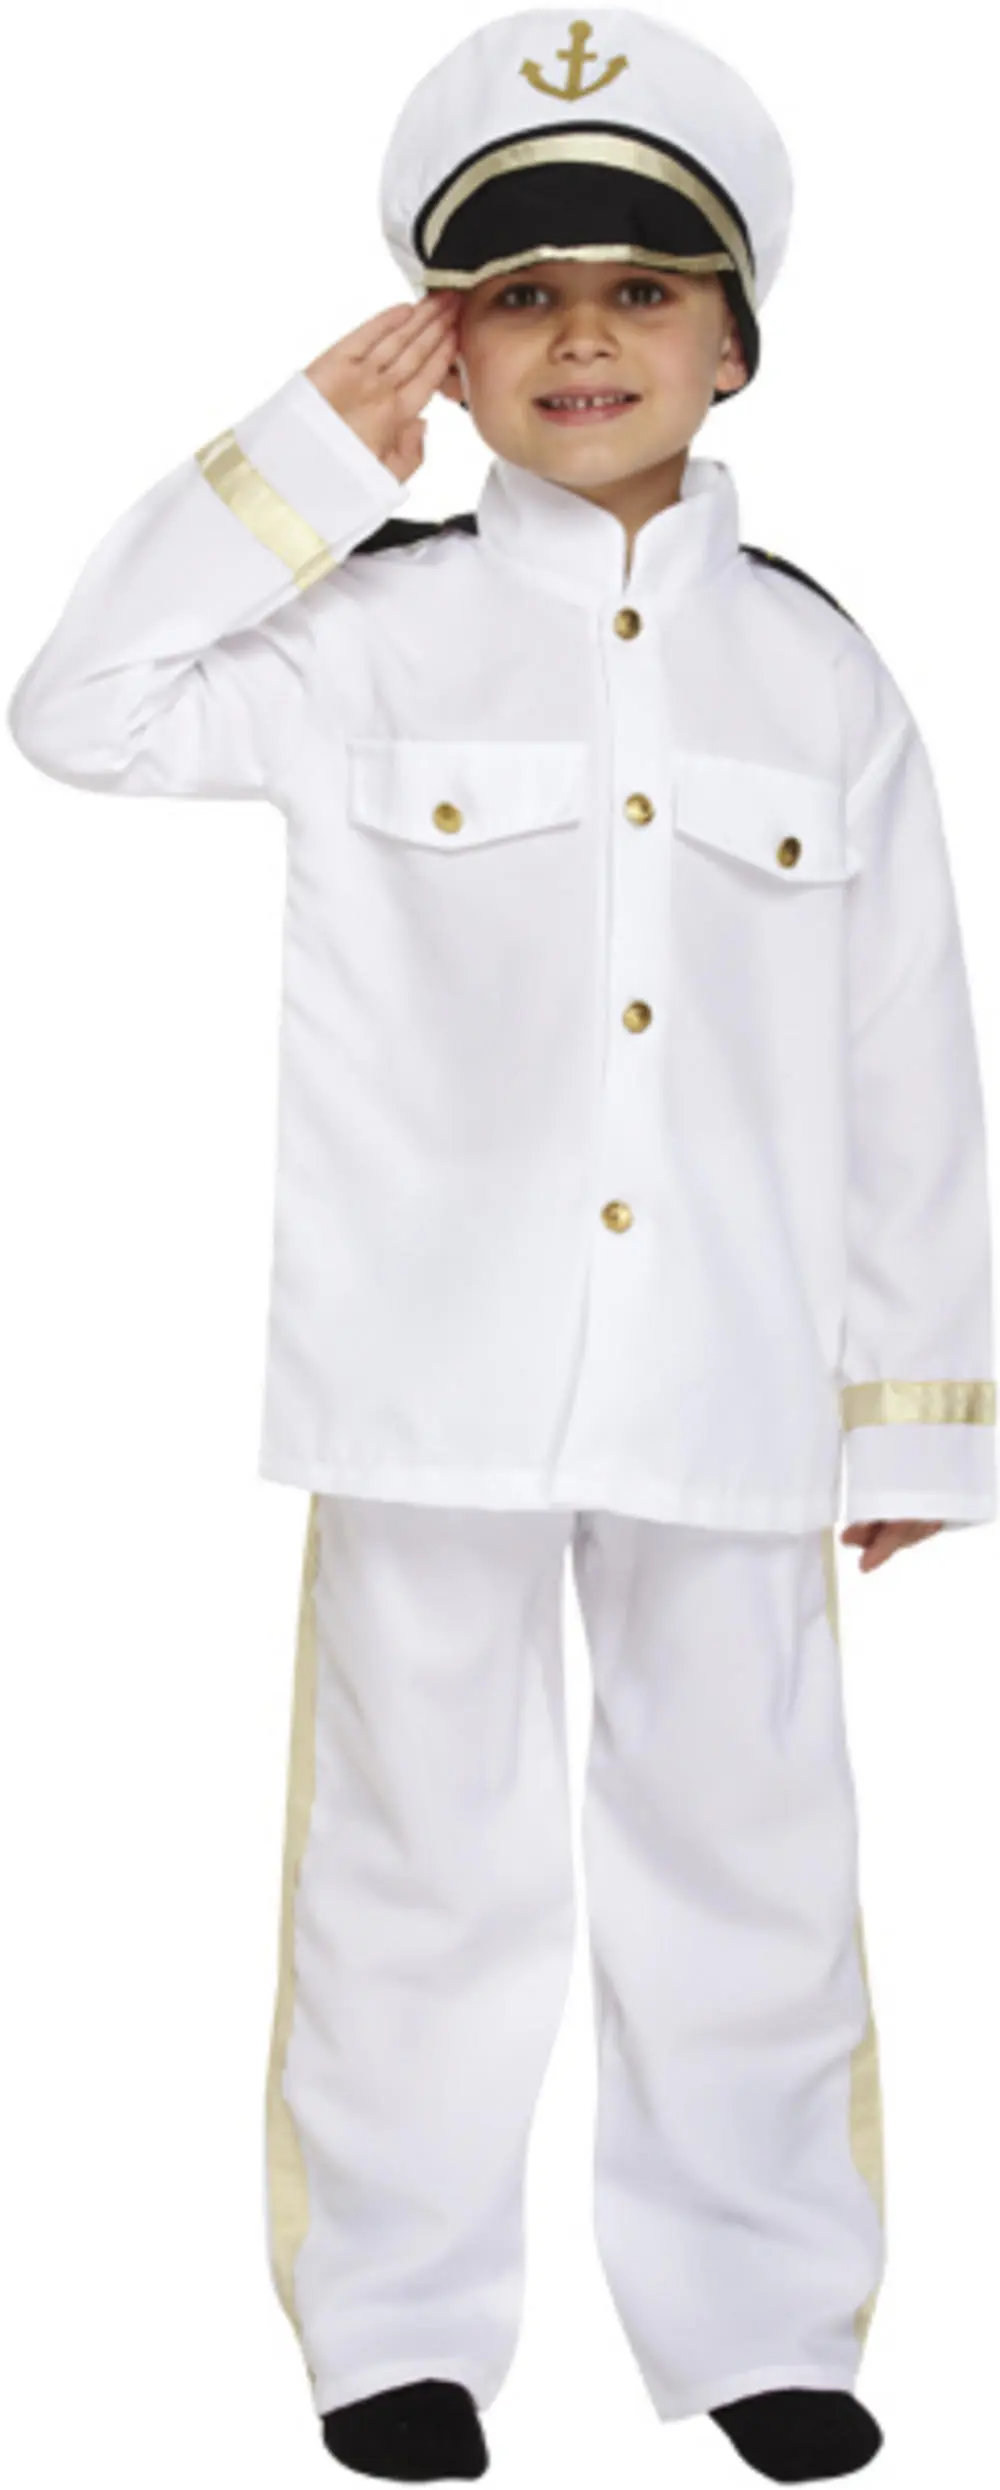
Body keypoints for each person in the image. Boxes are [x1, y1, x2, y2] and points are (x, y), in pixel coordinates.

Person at [7, 8, 995, 2483]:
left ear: (735, 340)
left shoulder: (822, 669)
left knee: (745, 1858)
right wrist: (288, 466)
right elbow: (78, 713)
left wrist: (912, 1405)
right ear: (441, 351)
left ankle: (764, 2317)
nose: (581, 338)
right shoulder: (358, 629)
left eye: (640, 292)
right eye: (520, 294)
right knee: (413, 1869)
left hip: (735, 1374)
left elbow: (905, 1052)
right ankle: (394, 2328)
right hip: (424, 1374)